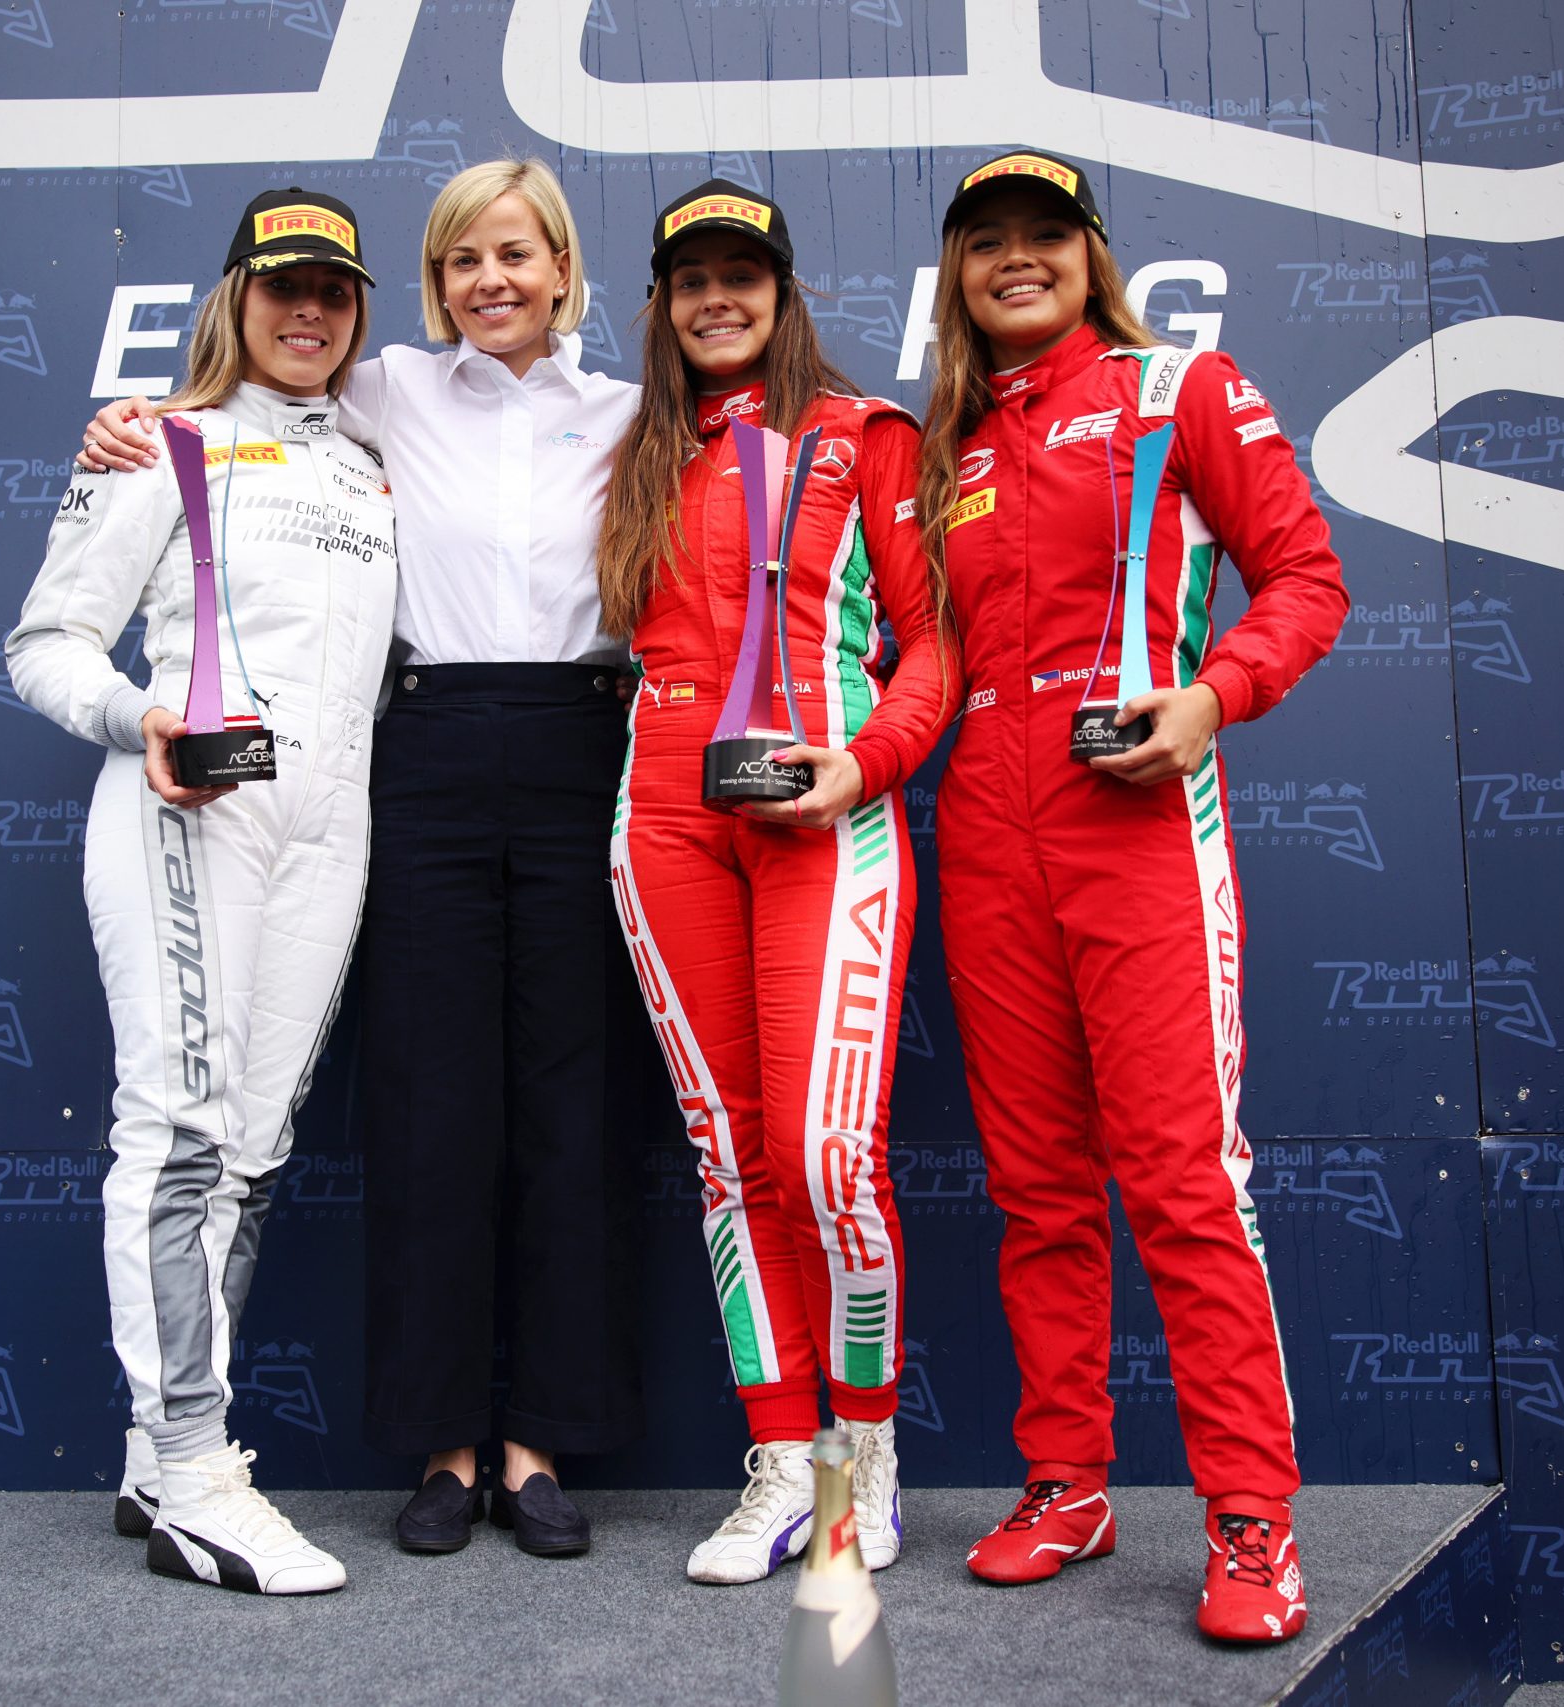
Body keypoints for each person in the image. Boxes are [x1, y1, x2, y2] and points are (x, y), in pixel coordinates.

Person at [77, 159, 648, 1559]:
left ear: (565, 272)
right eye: (462, 262)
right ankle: (448, 1448)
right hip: (426, 751)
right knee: (428, 1104)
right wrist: (137, 420)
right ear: (437, 282)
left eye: (516, 257)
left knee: (574, 1108)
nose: (490, 284)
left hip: (588, 741)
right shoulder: (381, 392)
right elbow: (242, 406)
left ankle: (540, 1446)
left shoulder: (642, 419)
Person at [915, 149, 1348, 1641]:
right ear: (957, 277)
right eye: (986, 244)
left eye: (1045, 236)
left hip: (1141, 817)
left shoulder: (1184, 390)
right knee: (1037, 1186)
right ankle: (1069, 1482)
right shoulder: (944, 446)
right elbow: (928, 657)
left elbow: (1306, 576)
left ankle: (1248, 1520)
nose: (1015, 261)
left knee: (1179, 1173)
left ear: (1091, 256)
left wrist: (1214, 698)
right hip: (985, 822)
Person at [8, 188, 397, 1595]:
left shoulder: (372, 459)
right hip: (195, 809)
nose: (309, 312)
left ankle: (151, 1452)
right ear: (234, 295)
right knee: (174, 1135)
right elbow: (46, 643)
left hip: (330, 827)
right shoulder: (159, 442)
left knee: (251, 1145)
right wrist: (140, 726)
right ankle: (194, 1472)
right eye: (284, 286)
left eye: (335, 294)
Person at [597, 180, 958, 1584]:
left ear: (786, 289)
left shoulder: (867, 436)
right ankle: (780, 1461)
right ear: (661, 303)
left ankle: (862, 1457)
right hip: (664, 811)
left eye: (742, 274)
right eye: (690, 279)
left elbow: (934, 648)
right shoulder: (632, 449)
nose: (716, 299)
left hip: (825, 806)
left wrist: (863, 766)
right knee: (730, 1157)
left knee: (825, 1157)